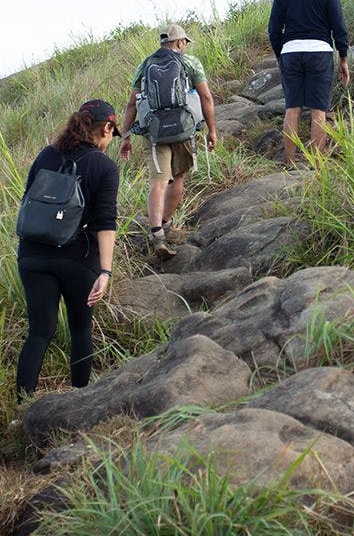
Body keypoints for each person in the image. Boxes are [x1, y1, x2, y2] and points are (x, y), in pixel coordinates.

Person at [15, 98, 120, 401]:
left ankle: (22, 407)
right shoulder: (104, 166)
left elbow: (28, 201)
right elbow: (105, 221)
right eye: (113, 133)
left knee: (39, 332)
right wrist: (105, 270)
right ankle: (79, 400)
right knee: (80, 329)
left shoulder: (47, 154)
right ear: (107, 127)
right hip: (77, 259)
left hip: (33, 254)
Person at [119, 24, 217, 258]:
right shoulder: (190, 63)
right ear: (180, 42)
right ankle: (165, 224)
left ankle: (157, 235)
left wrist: (125, 136)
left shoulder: (145, 65)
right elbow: (205, 96)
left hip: (155, 131)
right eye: (185, 42)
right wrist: (212, 130)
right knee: (179, 178)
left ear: (163, 43)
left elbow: (132, 104)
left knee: (158, 182)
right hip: (183, 128)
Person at [267, 0, 350, 165]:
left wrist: (280, 54)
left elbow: (274, 29)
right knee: (318, 111)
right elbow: (339, 27)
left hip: (291, 52)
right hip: (320, 51)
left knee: (292, 109)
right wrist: (343, 57)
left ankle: (290, 162)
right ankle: (316, 164)